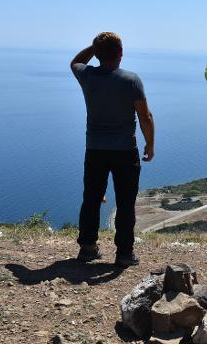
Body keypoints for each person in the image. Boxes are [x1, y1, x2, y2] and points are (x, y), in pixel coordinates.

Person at [70, 32, 155, 267]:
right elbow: (145, 116)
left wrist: (94, 48)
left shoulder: (87, 75)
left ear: (97, 54)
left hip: (95, 149)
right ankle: (124, 253)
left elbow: (75, 62)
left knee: (92, 199)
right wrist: (150, 143)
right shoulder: (131, 80)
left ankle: (88, 248)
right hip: (125, 151)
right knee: (126, 202)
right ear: (121, 53)